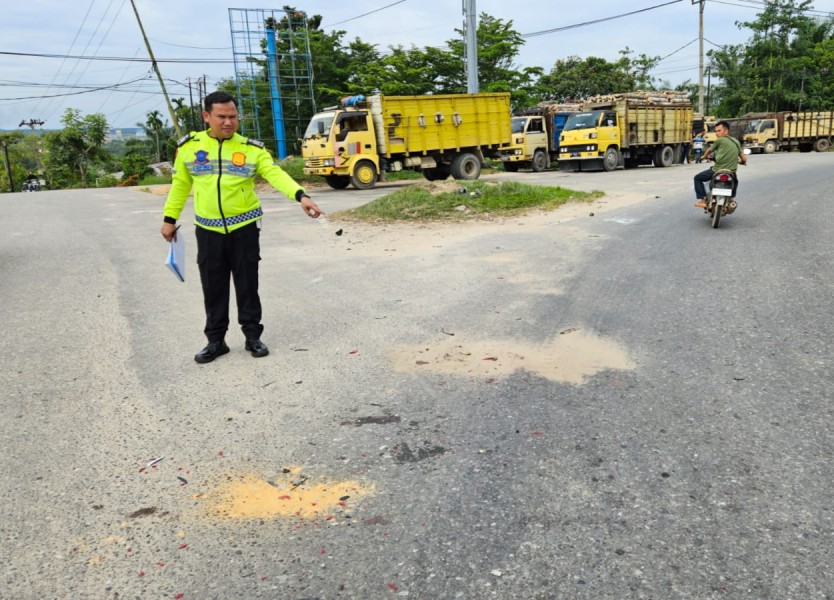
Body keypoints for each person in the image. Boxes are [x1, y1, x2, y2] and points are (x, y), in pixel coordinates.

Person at [161, 91, 324, 364]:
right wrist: (169, 219)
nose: (228, 122)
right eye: (221, 117)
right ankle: (215, 341)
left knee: (247, 283)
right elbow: (180, 186)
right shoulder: (189, 147)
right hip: (208, 229)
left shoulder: (251, 149)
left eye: (233, 117)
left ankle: (252, 336)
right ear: (207, 116)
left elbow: (275, 173)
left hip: (244, 227)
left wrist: (300, 195)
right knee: (213, 286)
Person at [693, 120, 746, 208]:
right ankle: (731, 199)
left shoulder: (719, 140)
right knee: (735, 182)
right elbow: (744, 158)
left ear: (726, 131)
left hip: (717, 170)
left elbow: (709, 150)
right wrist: (742, 162)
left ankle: (702, 200)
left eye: (719, 131)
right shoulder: (736, 142)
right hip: (731, 172)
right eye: (716, 131)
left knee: (697, 178)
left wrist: (705, 157)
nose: (717, 133)